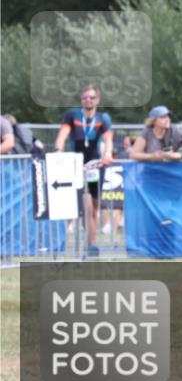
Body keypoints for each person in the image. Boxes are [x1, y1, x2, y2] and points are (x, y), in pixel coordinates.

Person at [54, 85, 113, 255]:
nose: (88, 100)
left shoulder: (103, 118)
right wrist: (58, 151)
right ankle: (62, 242)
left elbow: (108, 139)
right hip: (74, 165)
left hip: (94, 166)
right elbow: (62, 135)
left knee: (92, 208)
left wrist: (108, 154)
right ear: (81, 99)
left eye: (92, 97)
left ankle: (91, 245)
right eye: (85, 97)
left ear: (98, 100)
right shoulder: (72, 115)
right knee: (71, 206)